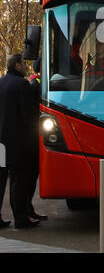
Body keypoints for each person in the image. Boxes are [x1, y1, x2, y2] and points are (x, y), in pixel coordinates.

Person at [0, 54, 41, 228]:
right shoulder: (22, 84)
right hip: (18, 142)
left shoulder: (1, 81)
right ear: (17, 65)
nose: (26, 66)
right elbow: (27, 115)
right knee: (18, 180)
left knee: (0, 180)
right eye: (24, 63)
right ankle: (21, 218)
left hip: (1, 142)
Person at [29, 57, 48, 222]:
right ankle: (26, 213)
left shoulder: (35, 83)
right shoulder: (35, 85)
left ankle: (29, 211)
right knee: (27, 178)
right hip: (32, 137)